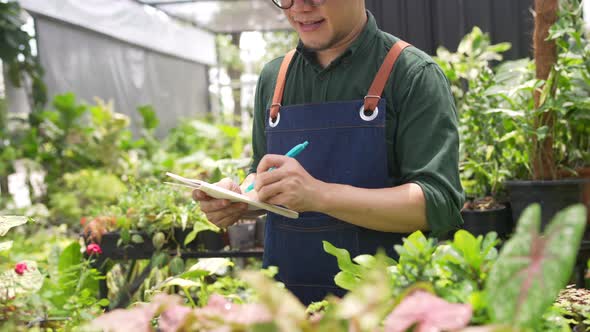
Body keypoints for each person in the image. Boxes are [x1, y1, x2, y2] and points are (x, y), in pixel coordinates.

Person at [193, 0, 464, 305]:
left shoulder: (412, 73)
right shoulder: (275, 77)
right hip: (287, 308)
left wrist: (318, 195)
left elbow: (438, 203)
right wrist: (241, 200)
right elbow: (263, 175)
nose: (299, 8)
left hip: (383, 309)